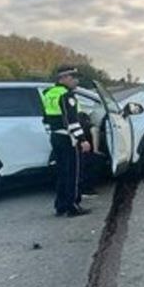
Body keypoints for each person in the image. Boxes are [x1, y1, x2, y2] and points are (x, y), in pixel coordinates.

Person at [41, 66, 91, 217]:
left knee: (62, 172)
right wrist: (82, 140)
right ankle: (72, 206)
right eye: (73, 77)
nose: (76, 80)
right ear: (63, 78)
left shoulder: (48, 93)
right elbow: (72, 121)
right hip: (68, 139)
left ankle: (60, 205)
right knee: (73, 173)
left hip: (55, 137)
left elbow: (45, 118)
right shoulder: (66, 95)